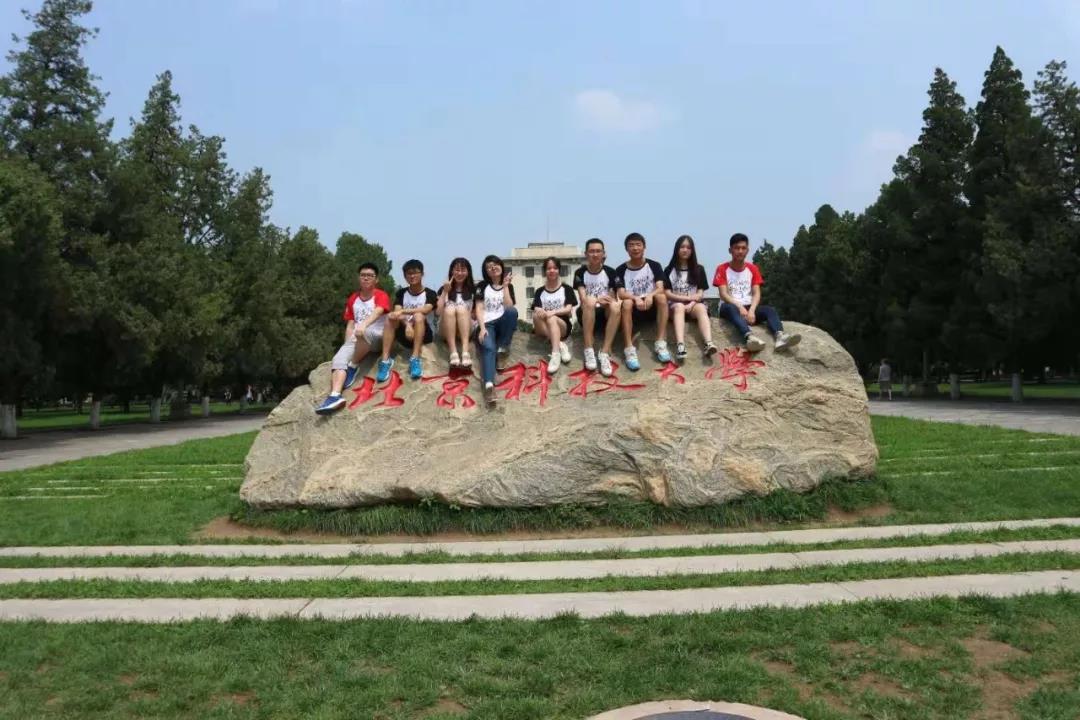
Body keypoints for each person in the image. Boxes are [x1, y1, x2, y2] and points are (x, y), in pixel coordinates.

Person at [315, 262, 390, 414]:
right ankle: (335, 396)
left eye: (370, 276)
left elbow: (379, 311)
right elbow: (350, 324)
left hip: (377, 337)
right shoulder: (353, 298)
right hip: (358, 337)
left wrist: (364, 325)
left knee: (364, 332)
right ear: (358, 278)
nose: (366, 278)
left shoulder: (381, 295)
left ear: (376, 279)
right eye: (363, 275)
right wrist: (346, 346)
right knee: (338, 359)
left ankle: (353, 365)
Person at [713, 233, 800, 352]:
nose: (740, 251)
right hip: (730, 307)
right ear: (730, 250)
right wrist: (739, 307)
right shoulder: (722, 268)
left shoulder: (752, 268)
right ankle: (750, 337)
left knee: (769, 310)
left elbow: (756, 293)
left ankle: (780, 336)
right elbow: (723, 294)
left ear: (747, 250)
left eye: (743, 248)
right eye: (737, 248)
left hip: (749, 307)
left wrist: (752, 311)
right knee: (730, 308)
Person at [615, 232, 671, 370]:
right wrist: (635, 298)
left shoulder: (654, 265)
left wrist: (650, 295)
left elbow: (660, 287)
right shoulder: (620, 269)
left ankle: (660, 342)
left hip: (651, 306)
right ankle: (629, 349)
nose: (635, 248)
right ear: (626, 249)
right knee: (626, 303)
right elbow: (621, 293)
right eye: (631, 245)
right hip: (634, 309)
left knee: (661, 297)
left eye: (638, 244)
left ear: (644, 247)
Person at [377, 259, 438, 381]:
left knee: (419, 316)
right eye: (409, 273)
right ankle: (385, 361)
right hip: (405, 332)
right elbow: (396, 313)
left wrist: (404, 312)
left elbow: (426, 310)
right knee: (390, 317)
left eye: (415, 272)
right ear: (405, 276)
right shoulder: (401, 293)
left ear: (422, 274)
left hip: (424, 334)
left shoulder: (430, 293)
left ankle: (415, 358)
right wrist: (408, 325)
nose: (412, 276)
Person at [663, 234, 718, 361]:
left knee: (701, 308)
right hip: (675, 306)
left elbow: (700, 293)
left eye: (688, 247)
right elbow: (667, 293)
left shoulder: (699, 269)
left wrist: (691, 303)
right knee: (679, 307)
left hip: (692, 305)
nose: (685, 250)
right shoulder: (669, 269)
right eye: (682, 247)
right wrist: (684, 300)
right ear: (677, 249)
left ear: (692, 250)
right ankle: (680, 346)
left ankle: (708, 343)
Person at [573, 238, 622, 376]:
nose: (595, 254)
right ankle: (588, 349)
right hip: (587, 313)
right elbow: (583, 298)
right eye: (592, 251)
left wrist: (604, 300)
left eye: (598, 251)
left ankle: (604, 352)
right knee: (589, 301)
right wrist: (597, 299)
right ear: (586, 254)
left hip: (605, 313)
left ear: (603, 253)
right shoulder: (580, 272)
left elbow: (611, 297)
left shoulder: (611, 272)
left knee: (615, 306)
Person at [475, 254, 518, 406]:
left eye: (495, 265)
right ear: (485, 271)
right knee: (488, 347)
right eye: (489, 267)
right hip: (487, 324)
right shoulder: (482, 286)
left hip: (503, 322)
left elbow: (509, 306)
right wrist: (481, 328)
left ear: (501, 266)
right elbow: (479, 308)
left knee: (512, 312)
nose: (493, 268)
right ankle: (489, 386)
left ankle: (503, 349)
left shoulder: (508, 286)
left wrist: (505, 286)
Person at [531, 256, 578, 373]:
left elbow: (568, 309)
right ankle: (560, 344)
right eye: (548, 268)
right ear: (545, 271)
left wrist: (553, 312)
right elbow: (536, 307)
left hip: (562, 325)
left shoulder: (567, 289)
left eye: (555, 268)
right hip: (544, 327)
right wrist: (540, 311)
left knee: (551, 318)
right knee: (536, 316)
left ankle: (555, 354)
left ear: (559, 270)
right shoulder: (540, 291)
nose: (552, 271)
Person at [436, 258, 476, 369]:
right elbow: (438, 312)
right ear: (451, 271)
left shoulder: (473, 290)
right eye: (457, 270)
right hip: (446, 328)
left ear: (468, 272)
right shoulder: (444, 289)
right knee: (449, 309)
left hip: (466, 328)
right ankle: (453, 352)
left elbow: (476, 314)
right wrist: (445, 291)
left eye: (463, 270)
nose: (460, 273)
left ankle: (465, 352)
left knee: (461, 309)